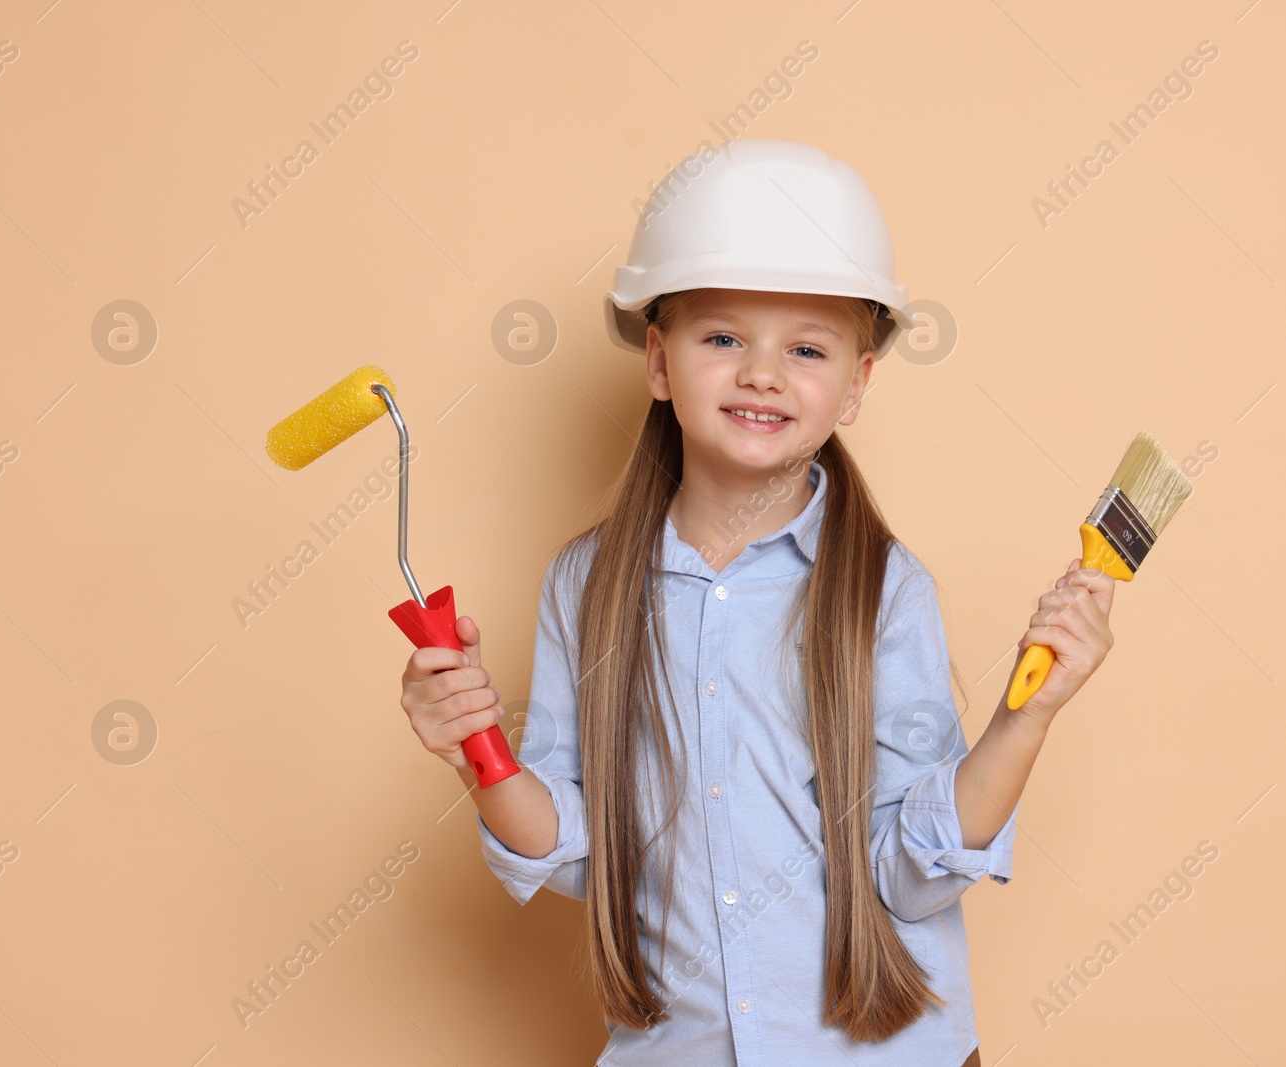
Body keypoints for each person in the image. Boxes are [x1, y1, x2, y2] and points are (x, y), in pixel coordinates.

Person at [397, 139, 1116, 1067]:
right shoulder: (584, 585)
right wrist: (476, 751)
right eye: (723, 337)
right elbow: (579, 851)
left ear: (855, 384)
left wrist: (1027, 716)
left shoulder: (885, 590)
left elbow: (910, 869)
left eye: (807, 348)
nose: (763, 374)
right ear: (659, 360)